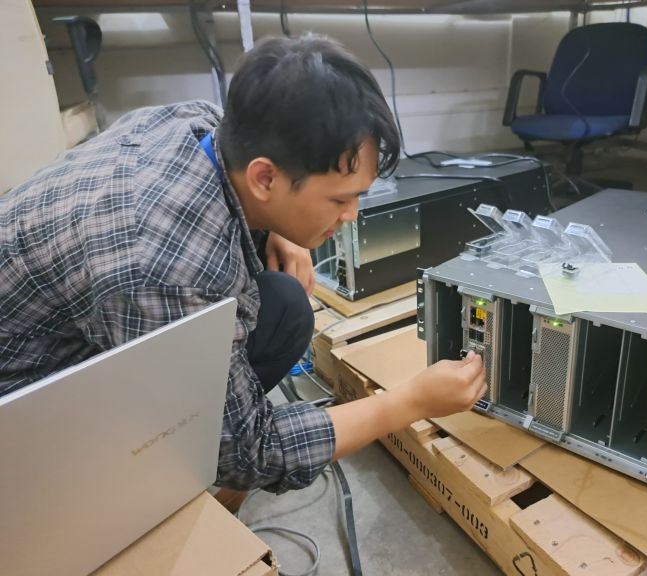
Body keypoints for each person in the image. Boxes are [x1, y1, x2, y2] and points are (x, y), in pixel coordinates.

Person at [0, 34, 486, 504]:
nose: (352, 216)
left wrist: (276, 227)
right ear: (265, 178)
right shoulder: (166, 272)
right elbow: (251, 452)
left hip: (74, 314)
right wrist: (410, 402)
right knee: (220, 441)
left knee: (284, 306)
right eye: (340, 199)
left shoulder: (200, 121)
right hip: (22, 407)